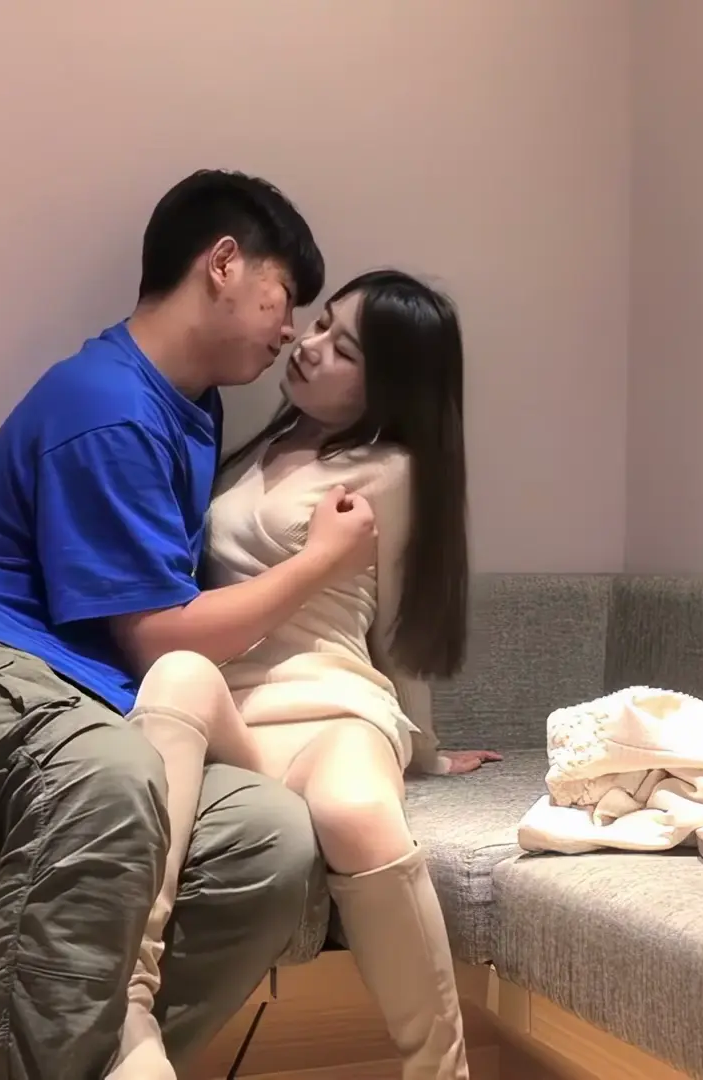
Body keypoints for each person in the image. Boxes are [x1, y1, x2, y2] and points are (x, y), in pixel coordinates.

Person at [0, 169, 376, 1080]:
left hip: (74, 717)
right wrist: (320, 562)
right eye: (285, 298)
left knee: (272, 840)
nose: (289, 332)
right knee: (109, 777)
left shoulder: (191, 411)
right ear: (224, 264)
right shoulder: (106, 404)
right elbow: (160, 637)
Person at [112, 269, 497, 1080]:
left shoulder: (392, 471)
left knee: (357, 814)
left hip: (332, 706)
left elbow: (398, 629)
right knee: (177, 673)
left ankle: (442, 1070)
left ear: (390, 385)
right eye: (320, 325)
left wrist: (427, 751)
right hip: (235, 712)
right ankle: (127, 1011)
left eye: (343, 348)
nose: (308, 346)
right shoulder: (246, 447)